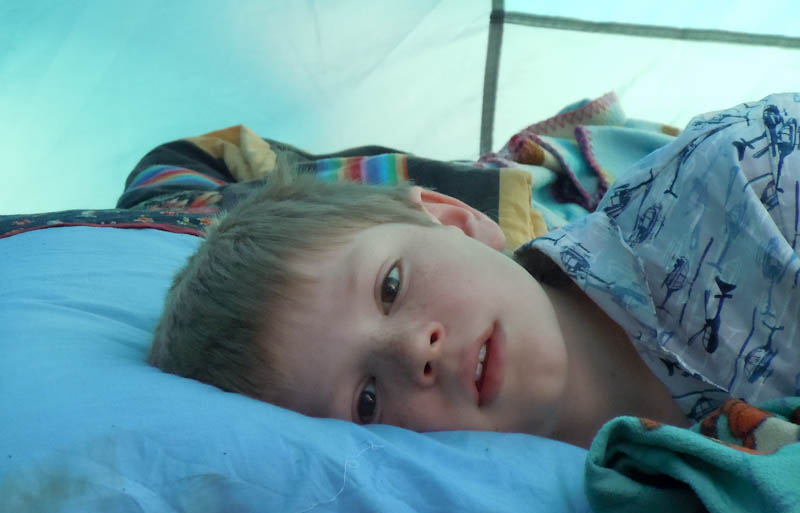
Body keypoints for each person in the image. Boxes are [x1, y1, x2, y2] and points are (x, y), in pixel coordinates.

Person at [149, 93, 800, 449]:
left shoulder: (741, 184)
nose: (414, 350)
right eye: (367, 400)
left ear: (455, 219)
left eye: (390, 286)